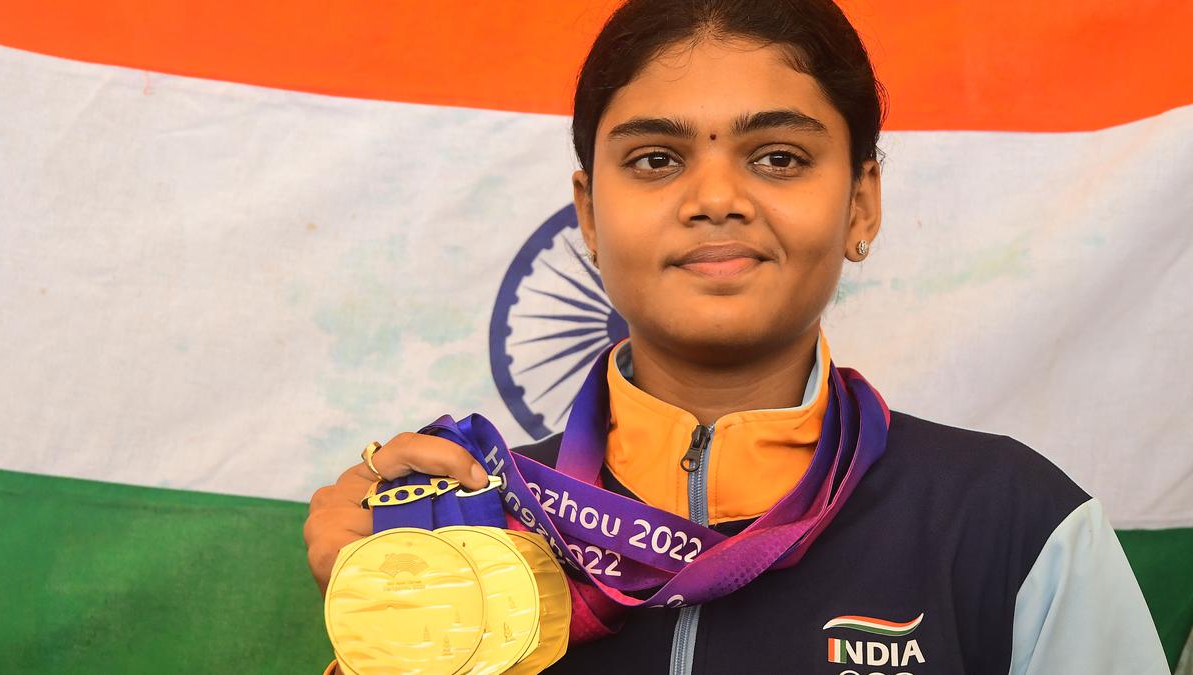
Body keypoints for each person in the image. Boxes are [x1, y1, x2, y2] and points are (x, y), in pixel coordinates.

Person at [303, 0, 1170, 672]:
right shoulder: (471, 534)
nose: (715, 196)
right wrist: (390, 626)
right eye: (655, 159)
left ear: (861, 204)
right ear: (590, 216)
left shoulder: (1014, 525)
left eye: (778, 157)